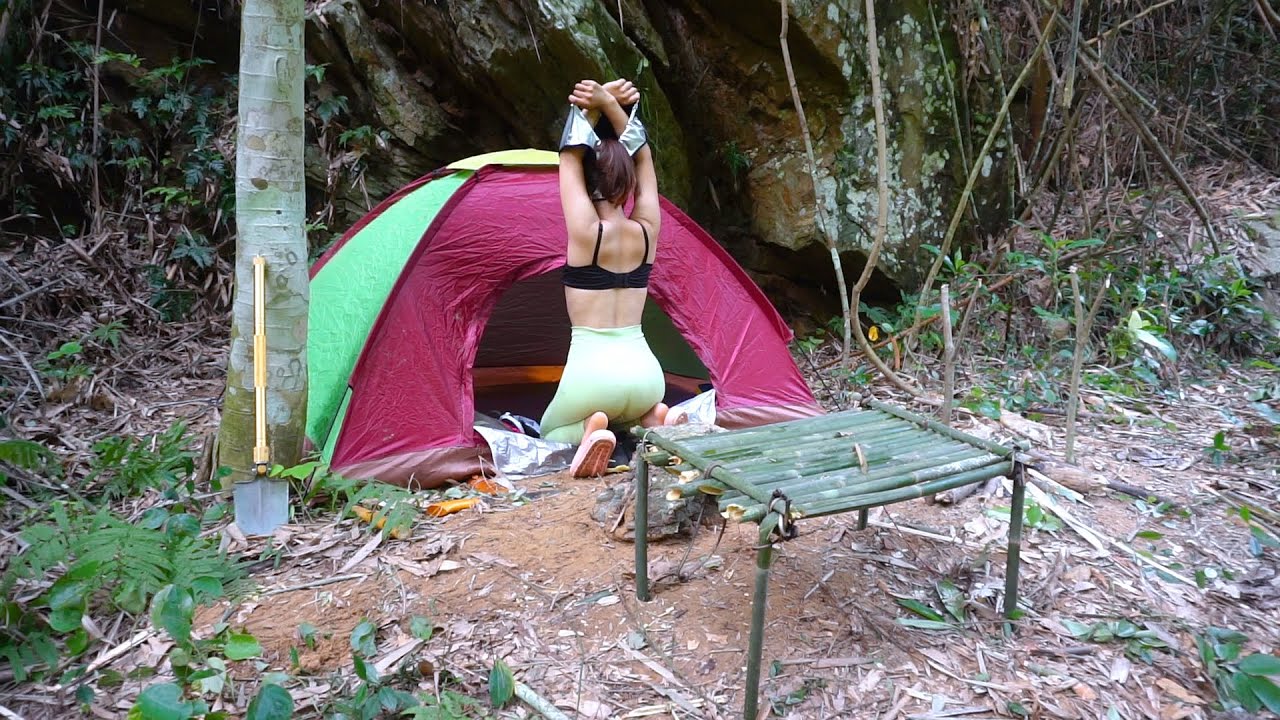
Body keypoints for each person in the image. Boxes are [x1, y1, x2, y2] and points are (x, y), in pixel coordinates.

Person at [539, 78, 683, 477]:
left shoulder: (586, 231)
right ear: (630, 185)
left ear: (588, 185)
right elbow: (644, 158)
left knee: (550, 429)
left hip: (593, 375)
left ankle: (589, 429)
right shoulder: (647, 230)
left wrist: (592, 106)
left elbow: (569, 155)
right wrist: (611, 104)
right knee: (634, 413)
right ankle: (655, 419)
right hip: (646, 374)